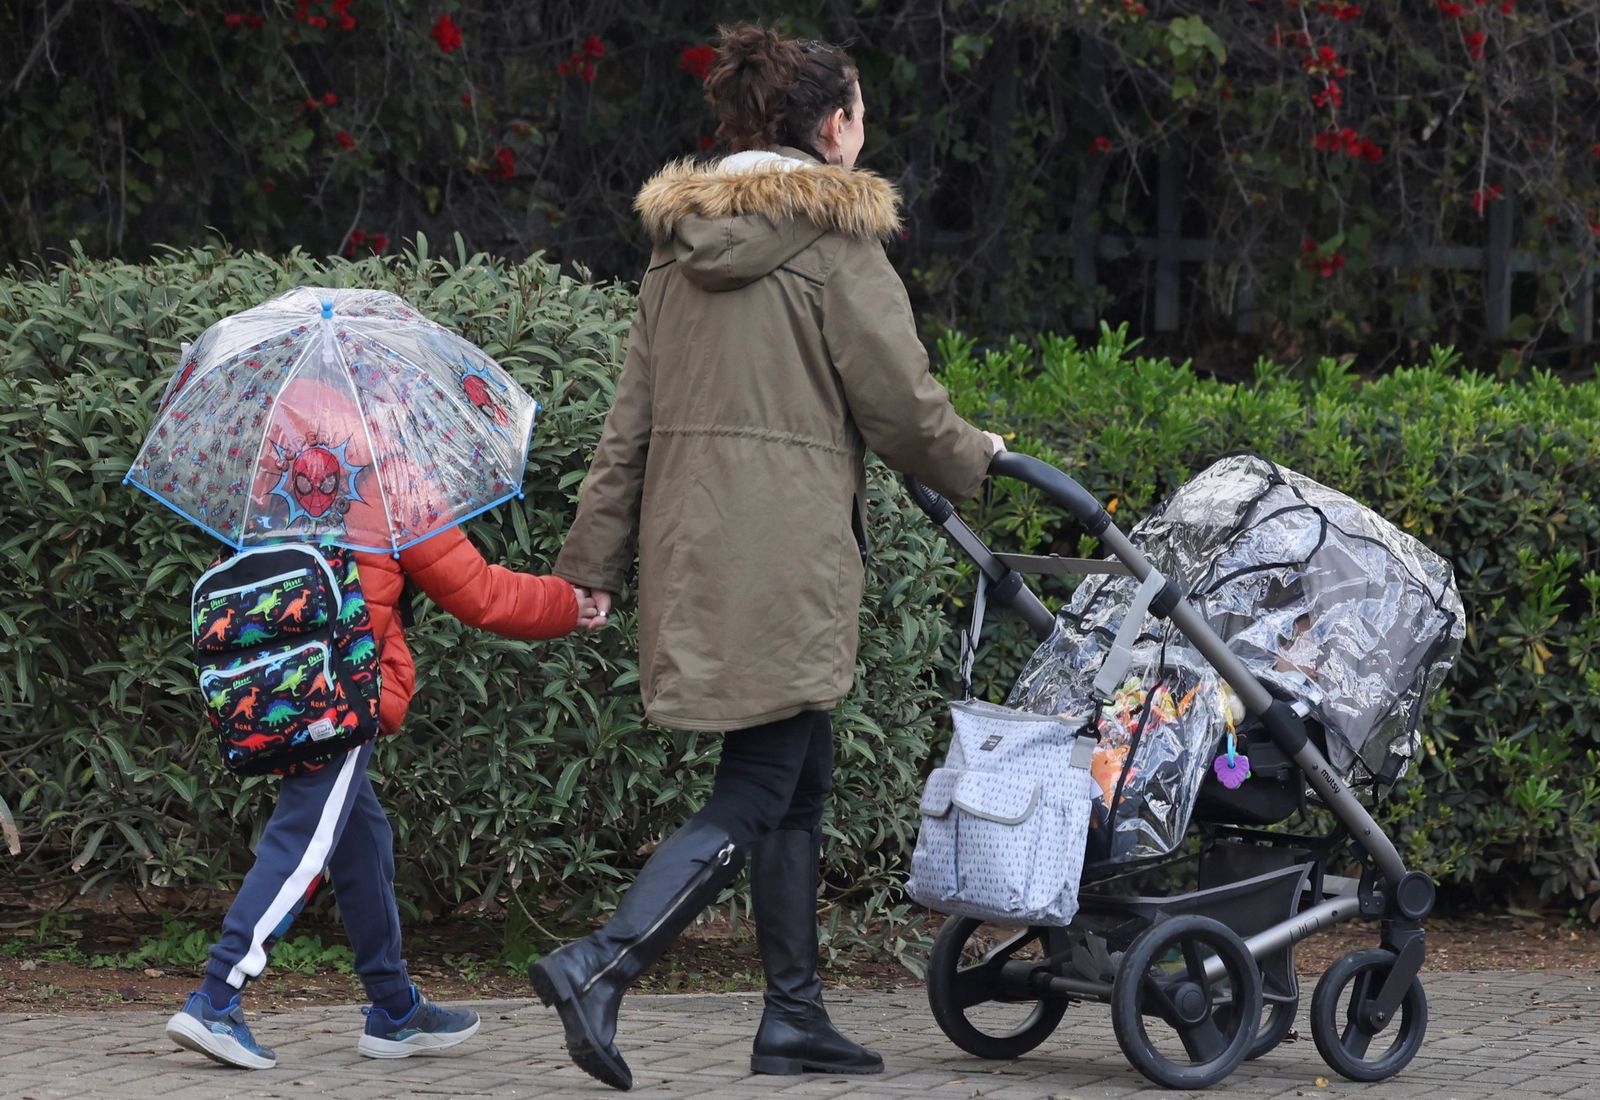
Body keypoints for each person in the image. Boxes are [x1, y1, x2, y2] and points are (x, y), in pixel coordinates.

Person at [532, 24, 1005, 1091]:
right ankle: (598, 962)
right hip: (786, 552)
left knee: (799, 775)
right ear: (833, 127)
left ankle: (792, 1015)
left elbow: (630, 425)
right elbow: (900, 404)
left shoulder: (675, 249)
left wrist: (594, 560)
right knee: (758, 781)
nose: (864, 128)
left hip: (697, 545)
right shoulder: (837, 246)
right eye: (861, 111)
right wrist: (982, 457)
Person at [164, 520, 597, 1070]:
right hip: (341, 681)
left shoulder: (273, 471)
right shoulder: (393, 487)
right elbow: (481, 593)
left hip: (282, 675)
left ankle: (394, 1009)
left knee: (363, 840)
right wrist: (569, 604)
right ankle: (216, 997)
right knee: (302, 841)